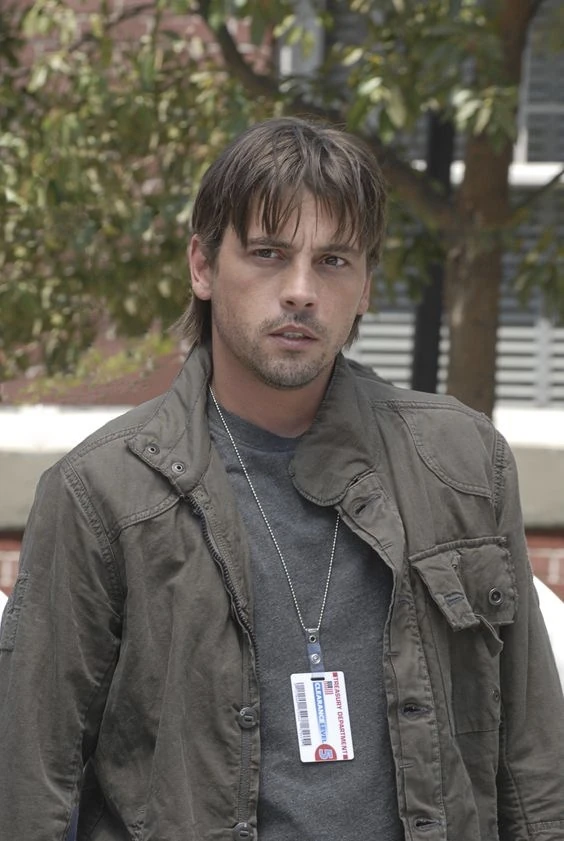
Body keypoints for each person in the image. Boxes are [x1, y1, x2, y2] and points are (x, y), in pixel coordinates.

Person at [0, 117, 563, 841]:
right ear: (202, 266)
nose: (300, 291)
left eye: (333, 261)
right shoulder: (101, 493)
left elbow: (533, 765)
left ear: (365, 286)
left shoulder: (462, 463)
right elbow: (30, 787)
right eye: (268, 253)